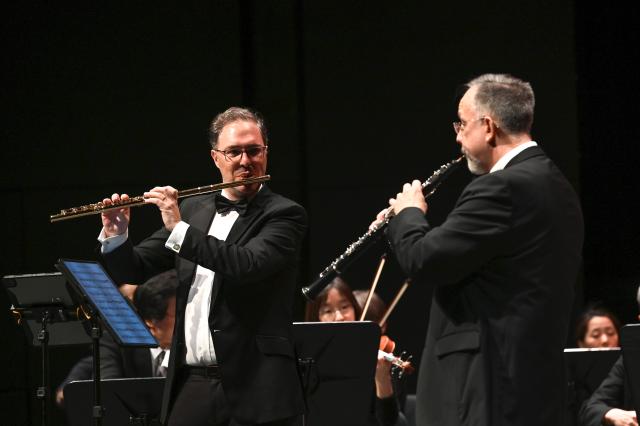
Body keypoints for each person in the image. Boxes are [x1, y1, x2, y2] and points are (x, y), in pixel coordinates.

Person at [375, 74, 584, 425]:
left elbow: (424, 260)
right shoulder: (558, 187)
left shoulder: (501, 187)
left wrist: (407, 213)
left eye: (461, 124)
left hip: (484, 389)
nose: (457, 137)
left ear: (488, 126)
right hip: (531, 385)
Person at [98, 107, 306, 426]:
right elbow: (134, 270)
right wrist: (117, 235)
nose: (245, 161)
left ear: (266, 152)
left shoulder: (284, 214)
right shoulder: (194, 210)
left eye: (254, 150)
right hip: (195, 382)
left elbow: (246, 264)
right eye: (234, 152)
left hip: (258, 384)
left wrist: (179, 229)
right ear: (216, 158)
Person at [56, 269, 178, 405]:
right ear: (150, 321)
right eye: (128, 306)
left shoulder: (192, 341)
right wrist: (70, 384)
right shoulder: (117, 340)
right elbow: (99, 374)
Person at [305, 277, 407, 426]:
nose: (339, 317)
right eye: (327, 311)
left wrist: (381, 379)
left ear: (355, 310)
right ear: (316, 318)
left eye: (345, 307)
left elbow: (389, 421)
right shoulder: (309, 362)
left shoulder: (373, 358)